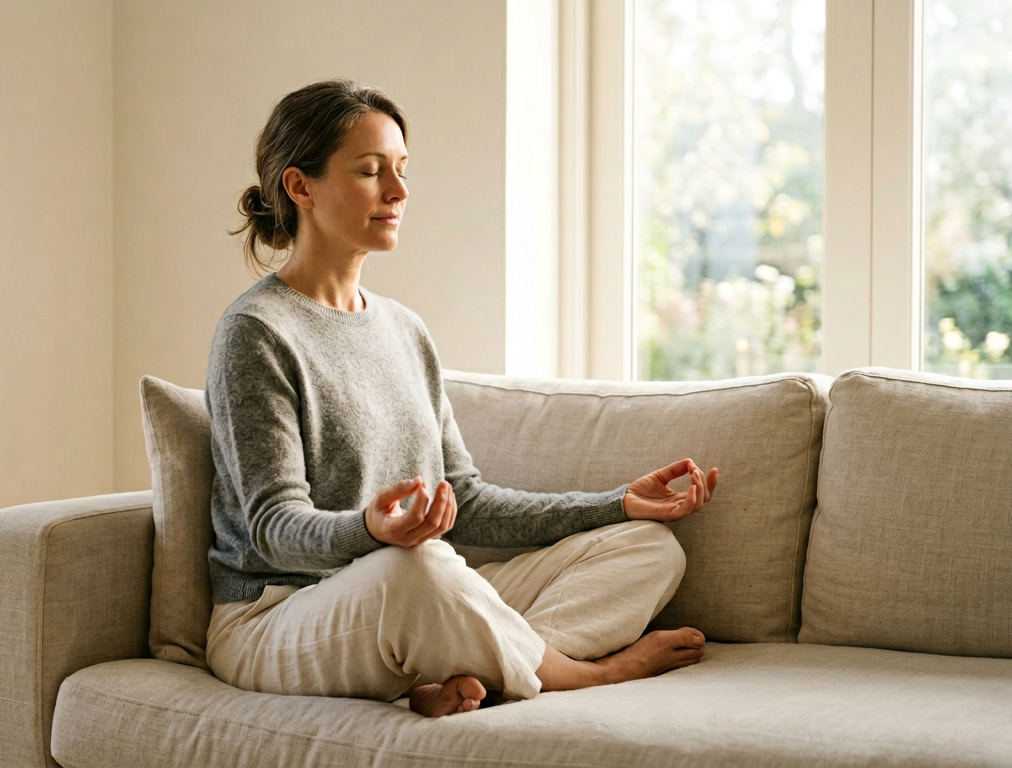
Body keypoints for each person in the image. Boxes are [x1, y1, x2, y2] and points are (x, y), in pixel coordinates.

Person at [204, 79, 721, 718]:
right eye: (370, 172)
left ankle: (475, 668)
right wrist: (371, 530)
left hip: (406, 592)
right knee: (416, 566)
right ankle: (579, 675)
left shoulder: (404, 329)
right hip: (277, 613)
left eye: (400, 170)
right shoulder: (256, 333)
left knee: (645, 546)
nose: (397, 193)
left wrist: (615, 505)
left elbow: (467, 502)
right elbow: (272, 529)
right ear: (299, 187)